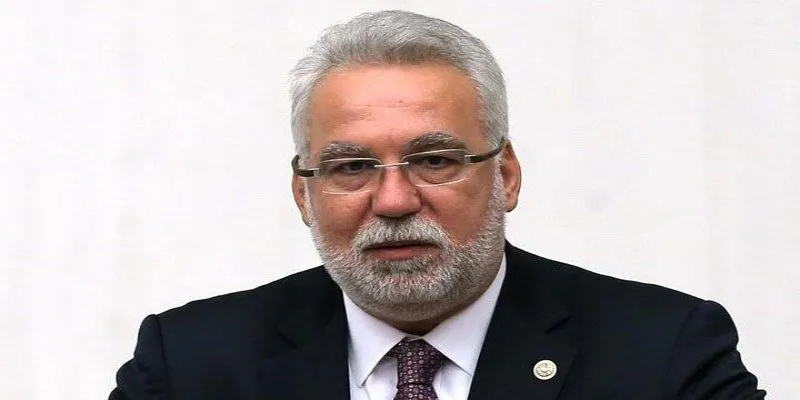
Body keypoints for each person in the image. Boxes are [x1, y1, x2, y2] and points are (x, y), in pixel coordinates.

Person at [110, 10, 764, 400]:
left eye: (434, 160)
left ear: (506, 175)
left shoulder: (664, 354)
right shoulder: (189, 365)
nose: (394, 201)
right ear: (302, 193)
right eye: (351, 167)